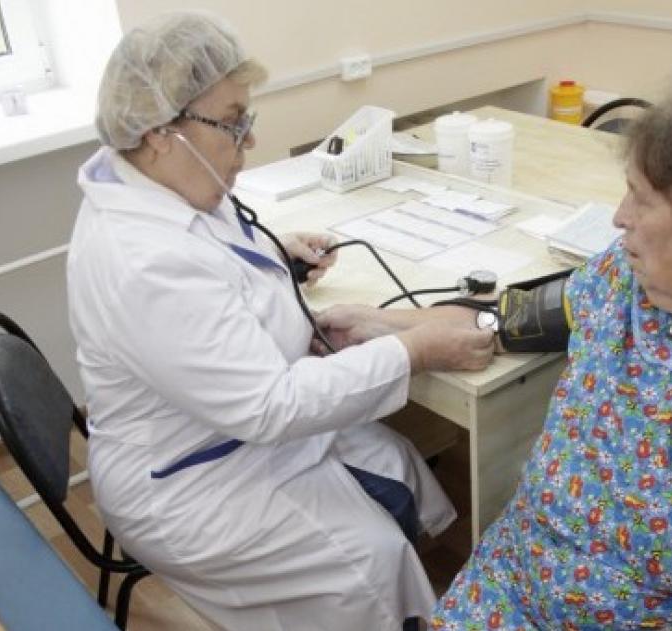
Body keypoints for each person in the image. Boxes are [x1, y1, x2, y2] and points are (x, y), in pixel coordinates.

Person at [318, 76, 672, 629]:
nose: (619, 216)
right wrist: (386, 323)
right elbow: (510, 319)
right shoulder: (621, 274)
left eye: (641, 198)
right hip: (514, 581)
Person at [66, 11, 495, 631]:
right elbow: (267, 406)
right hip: (190, 483)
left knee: (394, 462)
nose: (248, 142)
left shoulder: (155, 181)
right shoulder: (142, 261)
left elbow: (210, 265)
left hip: (223, 434)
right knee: (369, 566)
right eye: (232, 123)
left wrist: (275, 260)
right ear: (160, 131)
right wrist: (417, 349)